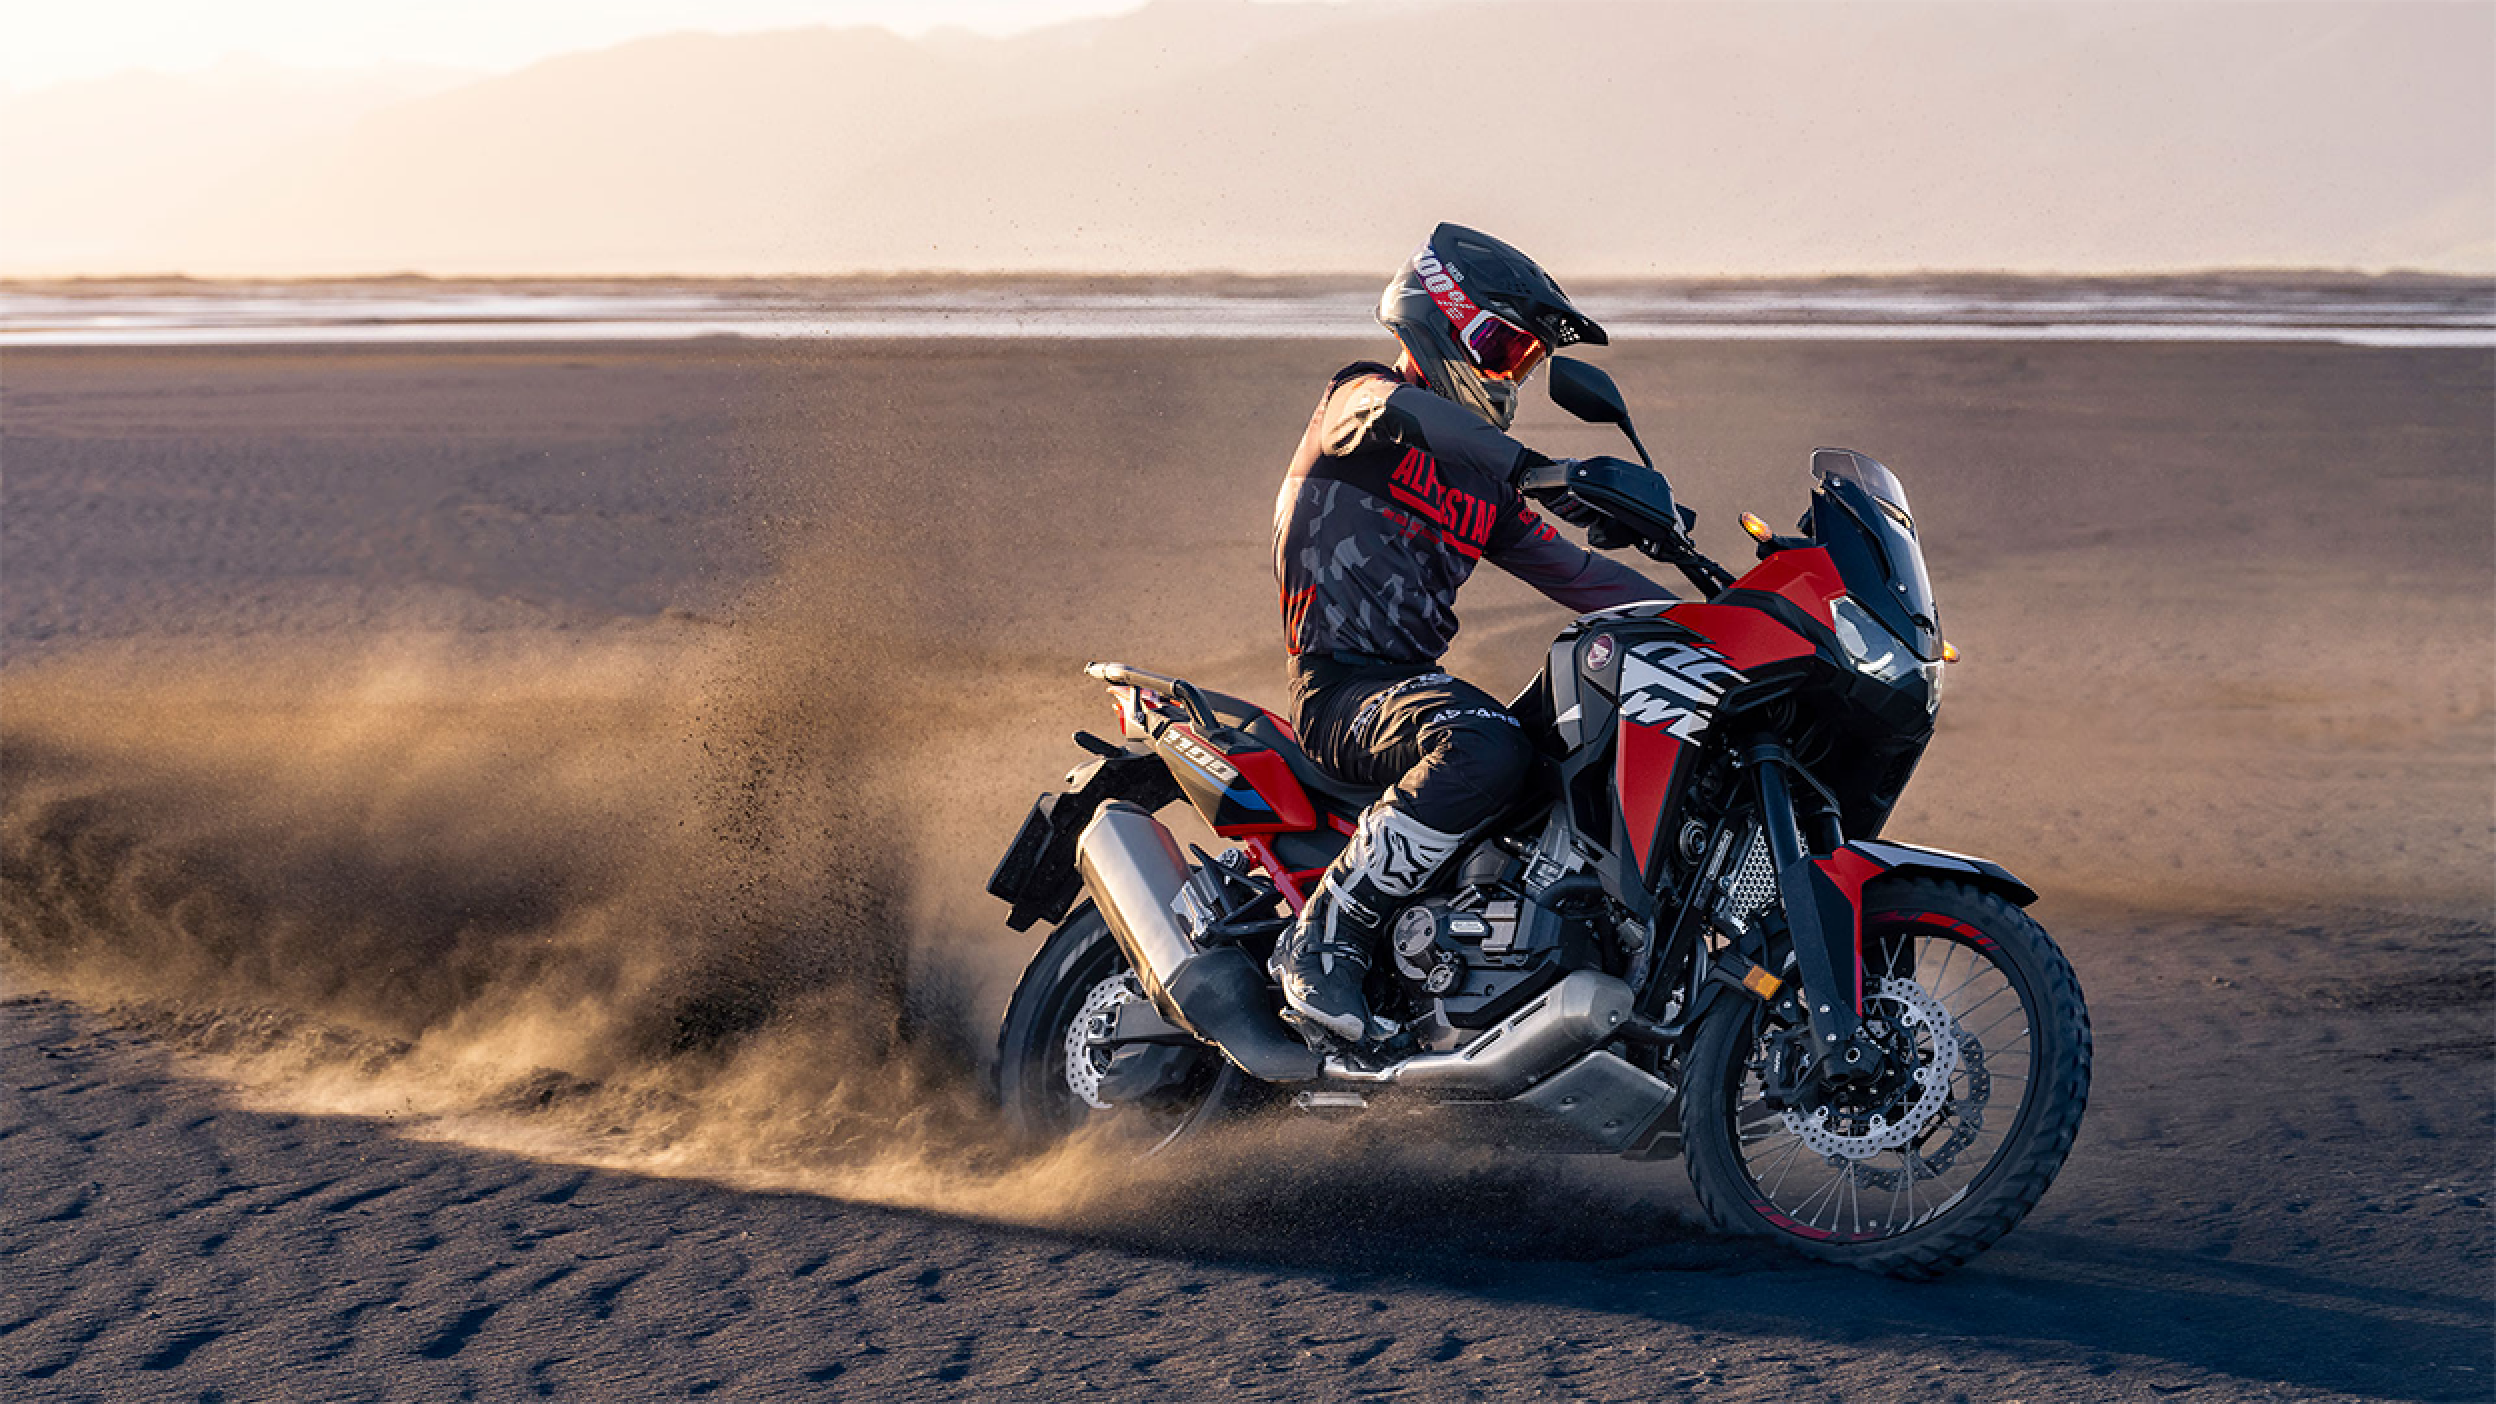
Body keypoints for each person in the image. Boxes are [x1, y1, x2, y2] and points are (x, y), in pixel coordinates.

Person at [1268, 222, 1674, 1046]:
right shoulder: (1359, 404)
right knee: (1488, 746)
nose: (1509, 374)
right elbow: (1406, 411)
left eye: (1522, 360)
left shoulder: (1480, 487)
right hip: (1343, 688)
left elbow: (1585, 578)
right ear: (1438, 319)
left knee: (1567, 765)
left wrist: (1724, 617)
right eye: (1499, 348)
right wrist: (1526, 465)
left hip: (1407, 688)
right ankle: (1320, 939)